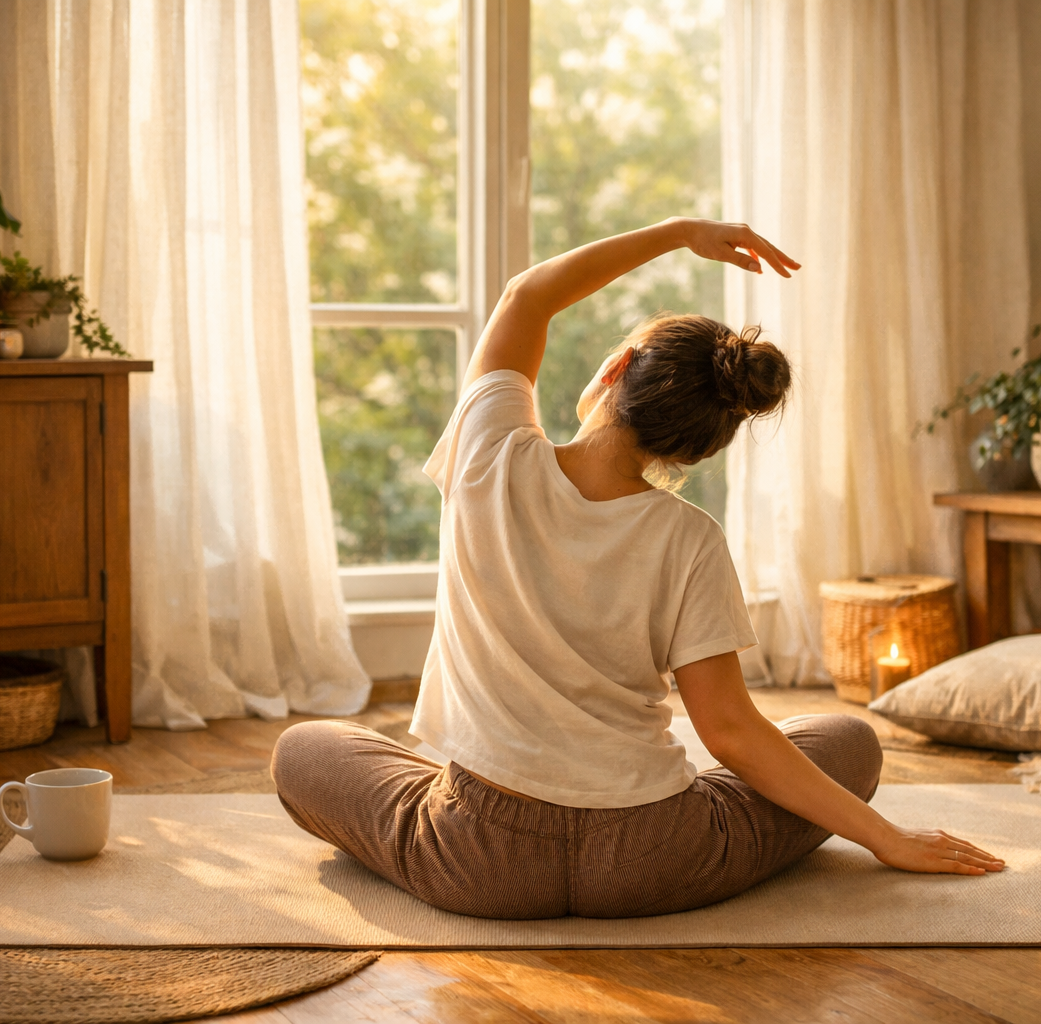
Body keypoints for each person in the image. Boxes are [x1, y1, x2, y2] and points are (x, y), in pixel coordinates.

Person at [271, 218, 1003, 919]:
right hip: (656, 860)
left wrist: (678, 234)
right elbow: (731, 733)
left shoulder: (489, 455)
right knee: (850, 743)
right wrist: (886, 838)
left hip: (479, 861)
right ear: (694, 450)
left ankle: (460, 796)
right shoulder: (692, 538)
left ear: (616, 368)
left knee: (303, 749)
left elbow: (527, 294)